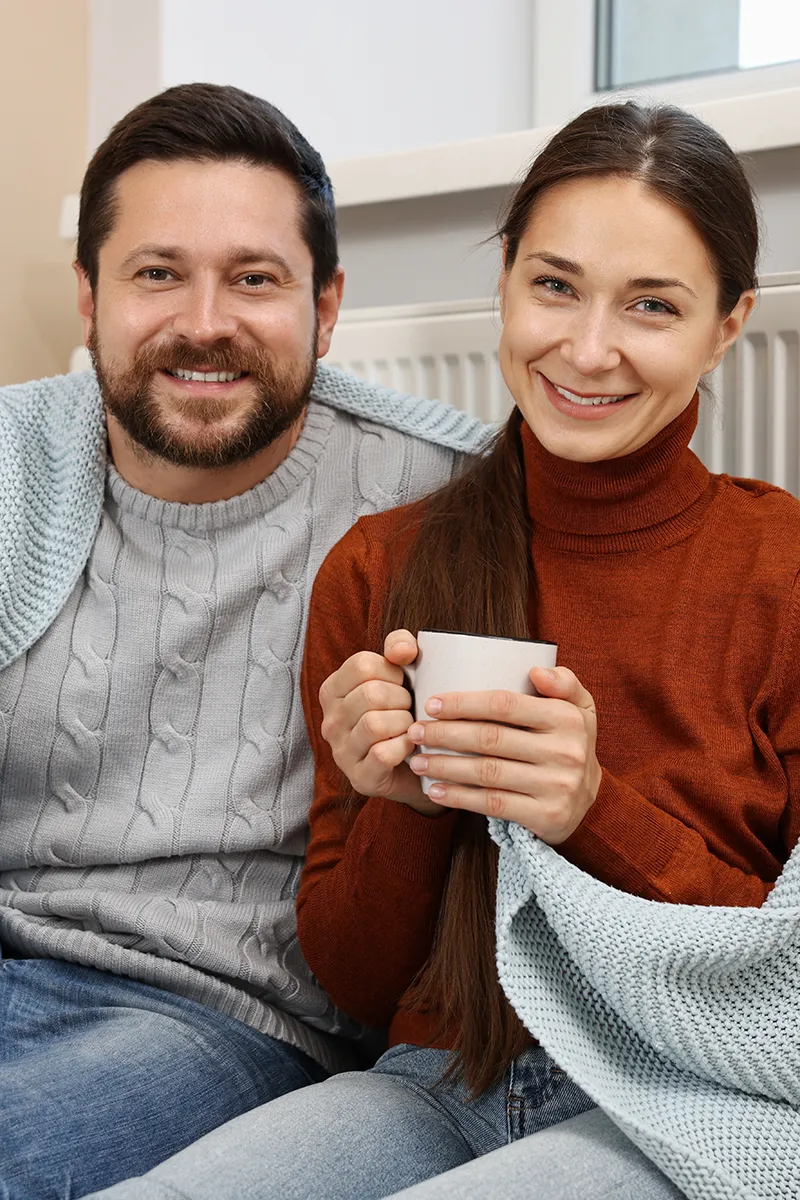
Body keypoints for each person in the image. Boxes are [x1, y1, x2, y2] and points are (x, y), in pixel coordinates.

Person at [82, 100, 800, 1200]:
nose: (587, 347)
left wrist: (589, 811)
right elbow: (358, 987)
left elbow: (781, 986)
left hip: (678, 1096)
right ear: (504, 285)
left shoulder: (776, 568)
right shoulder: (383, 566)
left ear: (725, 326)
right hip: (431, 1076)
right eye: (551, 285)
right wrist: (402, 807)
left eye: (650, 305)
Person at [0, 82, 488, 1200]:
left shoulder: (438, 500)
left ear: (325, 308)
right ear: (90, 296)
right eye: (157, 272)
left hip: (218, 1013)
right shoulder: (16, 463)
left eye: (254, 279)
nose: (204, 321)